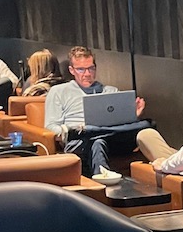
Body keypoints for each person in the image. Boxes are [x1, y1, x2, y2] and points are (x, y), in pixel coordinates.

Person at [42, 45, 146, 178]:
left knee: (145, 127)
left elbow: (121, 126)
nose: (87, 74)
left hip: (112, 138)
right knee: (97, 141)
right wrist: (74, 130)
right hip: (79, 140)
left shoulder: (110, 91)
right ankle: (103, 178)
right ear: (71, 70)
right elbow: (51, 126)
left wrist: (133, 116)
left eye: (91, 68)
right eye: (81, 69)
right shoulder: (58, 92)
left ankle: (102, 181)